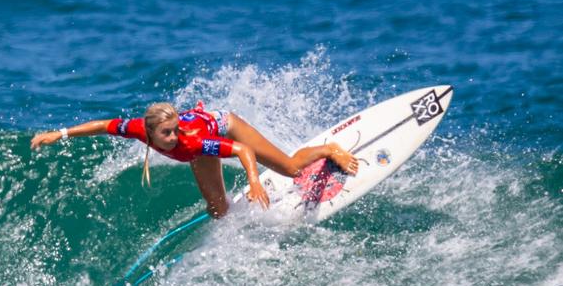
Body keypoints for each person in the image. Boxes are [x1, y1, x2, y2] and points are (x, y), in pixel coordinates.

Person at [31, 102, 359, 218]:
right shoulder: (137, 129)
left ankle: (328, 150)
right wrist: (58, 134)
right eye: (167, 134)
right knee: (218, 209)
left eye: (174, 131)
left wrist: (255, 180)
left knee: (289, 168)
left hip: (223, 124)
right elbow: (103, 125)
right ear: (150, 132)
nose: (173, 138)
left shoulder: (190, 142)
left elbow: (242, 151)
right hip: (199, 135)